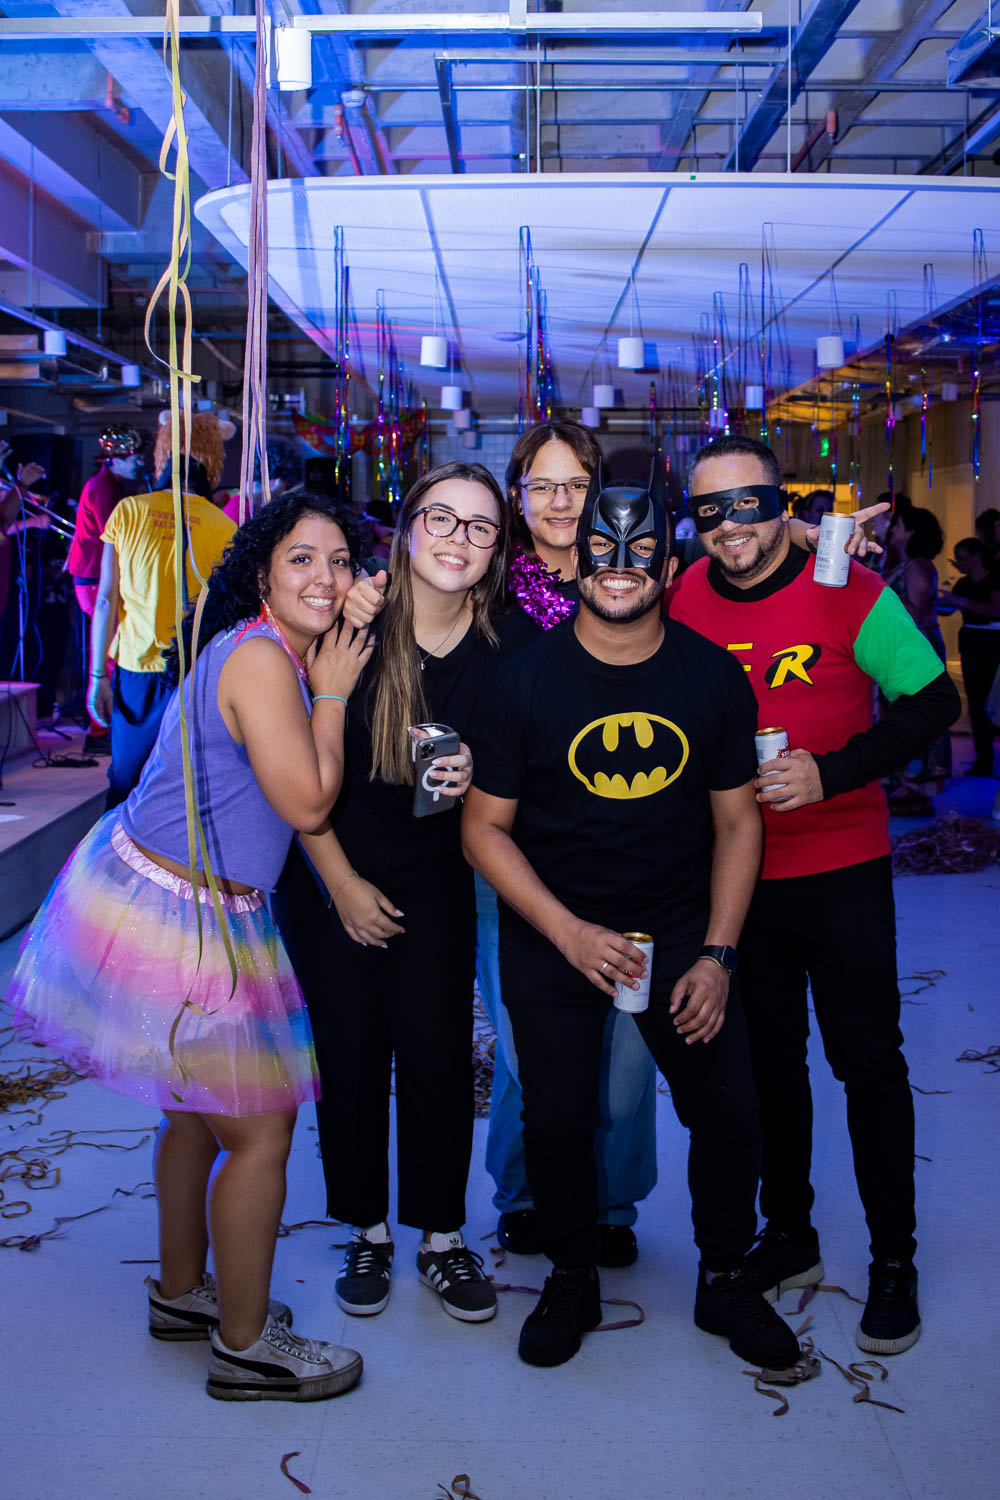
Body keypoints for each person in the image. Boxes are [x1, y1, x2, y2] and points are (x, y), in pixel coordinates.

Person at [9, 491, 371, 1401]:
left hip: (164, 892)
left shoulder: (256, 642)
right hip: (187, 916)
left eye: (340, 560)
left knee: (192, 1115)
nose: (325, 577)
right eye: (301, 558)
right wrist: (334, 692)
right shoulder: (264, 662)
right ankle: (245, 1348)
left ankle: (180, 1294)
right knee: (261, 1131)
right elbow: (309, 801)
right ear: (262, 574)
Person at [462, 469, 801, 1373]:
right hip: (555, 931)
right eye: (603, 549)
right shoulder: (525, 680)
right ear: (577, 561)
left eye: (643, 549)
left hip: (682, 930)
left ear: (669, 564)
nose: (621, 565)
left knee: (728, 1114)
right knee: (557, 1118)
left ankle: (724, 1275)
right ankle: (573, 1274)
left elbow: (739, 823)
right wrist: (566, 933)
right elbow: (482, 830)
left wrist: (719, 955)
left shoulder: (711, 676)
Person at [671, 435, 960, 1358]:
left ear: (780, 504)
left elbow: (931, 702)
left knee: (867, 1064)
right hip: (736, 882)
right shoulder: (682, 596)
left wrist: (831, 772)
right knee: (770, 1070)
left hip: (841, 869)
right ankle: (790, 1234)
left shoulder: (849, 590)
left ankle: (893, 1260)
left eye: (749, 504)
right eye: (710, 510)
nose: (731, 526)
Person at [271, 462, 510, 1326]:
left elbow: (529, 776)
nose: (457, 539)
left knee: (439, 1050)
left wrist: (485, 770)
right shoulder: (347, 624)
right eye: (441, 518)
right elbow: (289, 773)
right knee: (351, 1051)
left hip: (439, 876)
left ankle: (442, 1235)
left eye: (479, 527)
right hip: (330, 868)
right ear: (407, 528)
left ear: (496, 550)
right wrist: (340, 885)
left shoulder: (509, 649)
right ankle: (365, 1227)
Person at [481, 419, 658, 1266]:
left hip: (625, 847)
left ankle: (612, 1203)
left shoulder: (637, 578)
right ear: (517, 496)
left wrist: (798, 536)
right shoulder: (483, 590)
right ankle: (525, 1193)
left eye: (576, 484)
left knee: (627, 1049)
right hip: (509, 852)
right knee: (527, 1047)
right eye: (542, 485)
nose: (560, 502)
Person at [88, 412, 235, 807]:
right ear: (213, 460)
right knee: (183, 784)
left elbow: (105, 599)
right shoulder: (224, 526)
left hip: (136, 667)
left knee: (127, 779)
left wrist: (97, 674)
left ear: (163, 453)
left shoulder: (128, 511)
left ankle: (118, 847)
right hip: (194, 671)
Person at [883, 504, 951, 788]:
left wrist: (881, 595)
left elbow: (915, 614)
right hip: (903, 647)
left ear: (911, 532)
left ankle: (922, 775)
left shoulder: (919, 567)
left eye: (897, 525)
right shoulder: (904, 564)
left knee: (919, 709)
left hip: (919, 647)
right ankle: (905, 776)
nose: (892, 530)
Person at [67, 426, 146, 619]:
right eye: (136, 460)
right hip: (93, 574)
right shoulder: (102, 487)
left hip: (94, 573)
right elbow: (112, 532)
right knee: (110, 631)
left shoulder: (108, 484)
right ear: (116, 462)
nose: (141, 464)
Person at [939, 537, 1000, 777]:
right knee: (976, 702)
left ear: (977, 556)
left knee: (991, 699)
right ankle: (984, 760)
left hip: (993, 642)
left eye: (962, 559)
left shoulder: (994, 579)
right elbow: (950, 609)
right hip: (971, 641)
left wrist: (961, 601)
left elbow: (995, 610)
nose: (960, 564)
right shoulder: (963, 584)